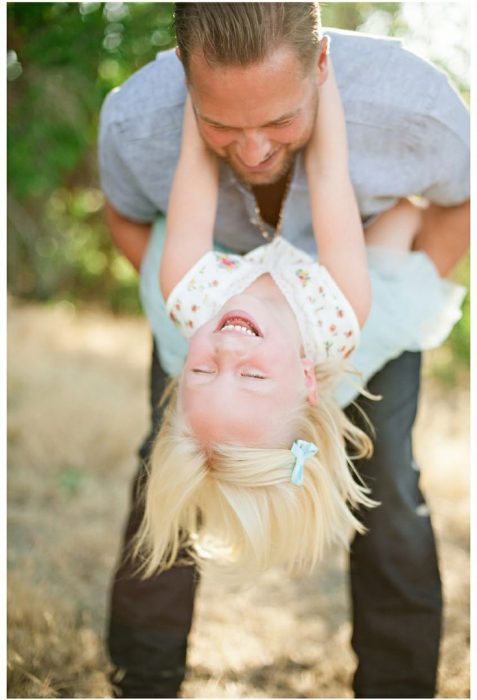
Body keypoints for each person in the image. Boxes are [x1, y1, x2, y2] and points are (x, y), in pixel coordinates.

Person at [98, 3, 470, 697]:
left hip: (259, 289)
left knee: (381, 484)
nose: (225, 351)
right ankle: (141, 677)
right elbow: (328, 184)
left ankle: (399, 686)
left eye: (205, 369)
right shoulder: (341, 313)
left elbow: (201, 177)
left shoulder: (191, 301)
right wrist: (210, 103)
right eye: (222, 125)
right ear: (305, 380)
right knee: (174, 481)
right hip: (333, 303)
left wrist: (306, 88)